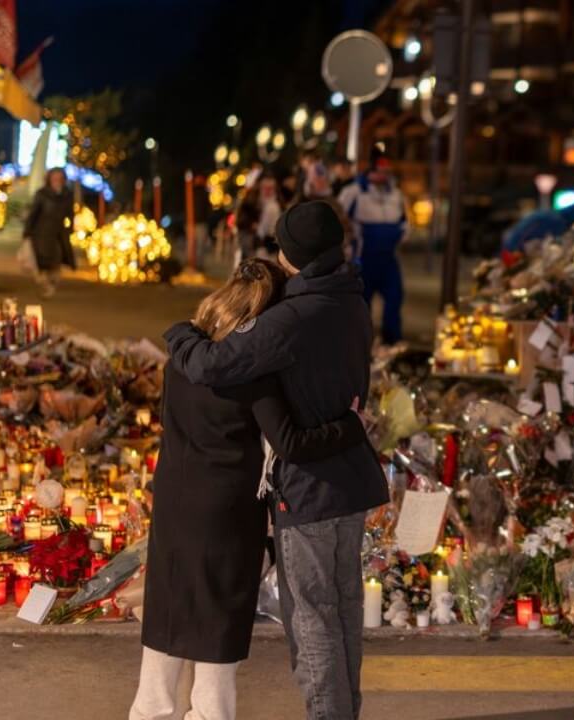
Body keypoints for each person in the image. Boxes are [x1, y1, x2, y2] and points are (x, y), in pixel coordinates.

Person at [165, 201, 386, 720]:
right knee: (344, 613)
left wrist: (179, 332)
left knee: (311, 623)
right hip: (351, 482)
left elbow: (211, 363)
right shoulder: (351, 300)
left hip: (308, 490)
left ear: (288, 253)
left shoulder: (291, 318)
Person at [338, 146, 407, 344]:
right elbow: (340, 218)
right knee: (362, 303)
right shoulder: (354, 191)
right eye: (380, 171)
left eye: (387, 171)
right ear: (371, 170)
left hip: (388, 257)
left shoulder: (395, 193)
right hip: (364, 258)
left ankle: (392, 340)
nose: (384, 175)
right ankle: (361, 343)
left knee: (395, 297)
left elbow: (404, 219)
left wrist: (401, 234)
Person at [23, 167, 76, 298]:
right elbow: (33, 213)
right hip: (41, 234)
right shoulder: (42, 194)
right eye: (55, 178)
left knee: (56, 261)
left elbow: (70, 214)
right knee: (41, 262)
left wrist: (69, 229)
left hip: (58, 234)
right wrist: (27, 232)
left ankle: (50, 286)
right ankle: (44, 286)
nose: (57, 181)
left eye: (60, 178)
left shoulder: (67, 195)